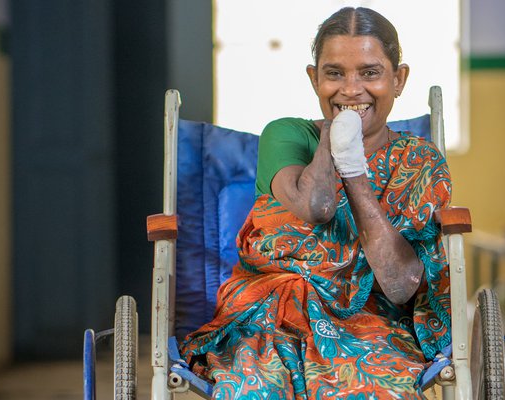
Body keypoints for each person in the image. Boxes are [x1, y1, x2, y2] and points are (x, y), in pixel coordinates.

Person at [181, 7, 452, 399]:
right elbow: (316, 206)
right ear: (314, 79)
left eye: (370, 73)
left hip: (370, 324)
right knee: (258, 384)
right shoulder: (286, 135)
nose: (351, 88)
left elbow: (400, 284)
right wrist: (336, 136)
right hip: (266, 318)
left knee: (373, 387)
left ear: (399, 79)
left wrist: (354, 169)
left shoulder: (420, 163)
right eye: (335, 73)